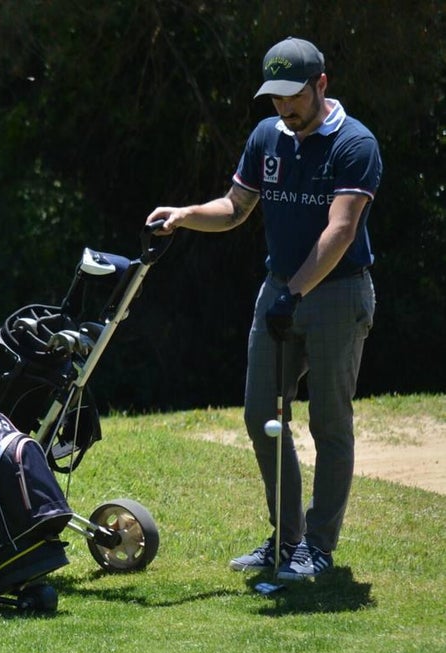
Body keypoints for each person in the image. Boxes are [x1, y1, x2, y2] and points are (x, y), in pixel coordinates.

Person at [146, 37, 381, 580]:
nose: (284, 108)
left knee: (329, 422)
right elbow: (234, 208)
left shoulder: (355, 143)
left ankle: (318, 548)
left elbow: (340, 231)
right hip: (281, 289)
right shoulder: (267, 136)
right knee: (261, 415)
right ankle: (286, 539)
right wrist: (185, 215)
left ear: (320, 84)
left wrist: (294, 293)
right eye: (275, 98)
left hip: (337, 293)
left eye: (293, 96)